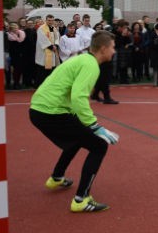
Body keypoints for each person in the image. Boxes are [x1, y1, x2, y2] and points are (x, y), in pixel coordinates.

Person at [29, 30, 120, 212]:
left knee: (78, 139)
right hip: (50, 112)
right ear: (103, 49)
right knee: (98, 146)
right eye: (112, 47)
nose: (114, 51)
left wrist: (85, 124)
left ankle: (56, 178)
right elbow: (79, 97)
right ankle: (81, 200)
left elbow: (70, 94)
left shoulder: (82, 59)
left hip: (40, 110)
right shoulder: (91, 65)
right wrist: (94, 126)